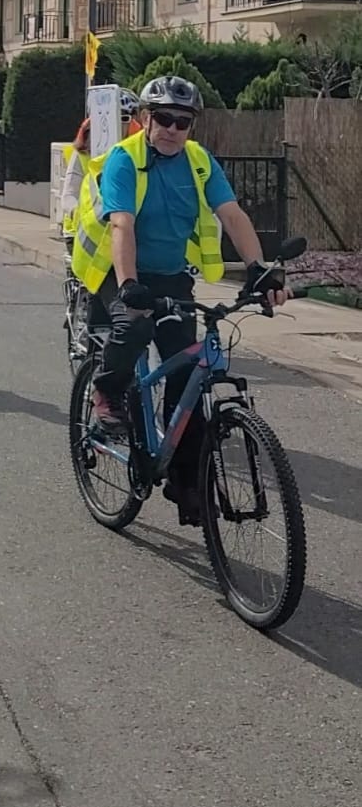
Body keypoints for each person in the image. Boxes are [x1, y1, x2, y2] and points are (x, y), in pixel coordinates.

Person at [71, 74, 287, 525]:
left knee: (188, 371)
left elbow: (232, 215)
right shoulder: (123, 161)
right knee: (131, 325)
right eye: (164, 118)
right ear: (146, 119)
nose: (172, 128)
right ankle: (107, 391)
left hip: (170, 276)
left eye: (182, 121)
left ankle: (185, 480)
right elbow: (121, 226)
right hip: (117, 268)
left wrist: (259, 269)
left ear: (192, 126)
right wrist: (130, 285)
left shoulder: (199, 161)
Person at [60, 90, 141, 242]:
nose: (115, 124)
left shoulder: (138, 152)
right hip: (81, 233)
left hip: (122, 231)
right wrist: (82, 219)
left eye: (123, 118)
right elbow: (69, 195)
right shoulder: (83, 153)